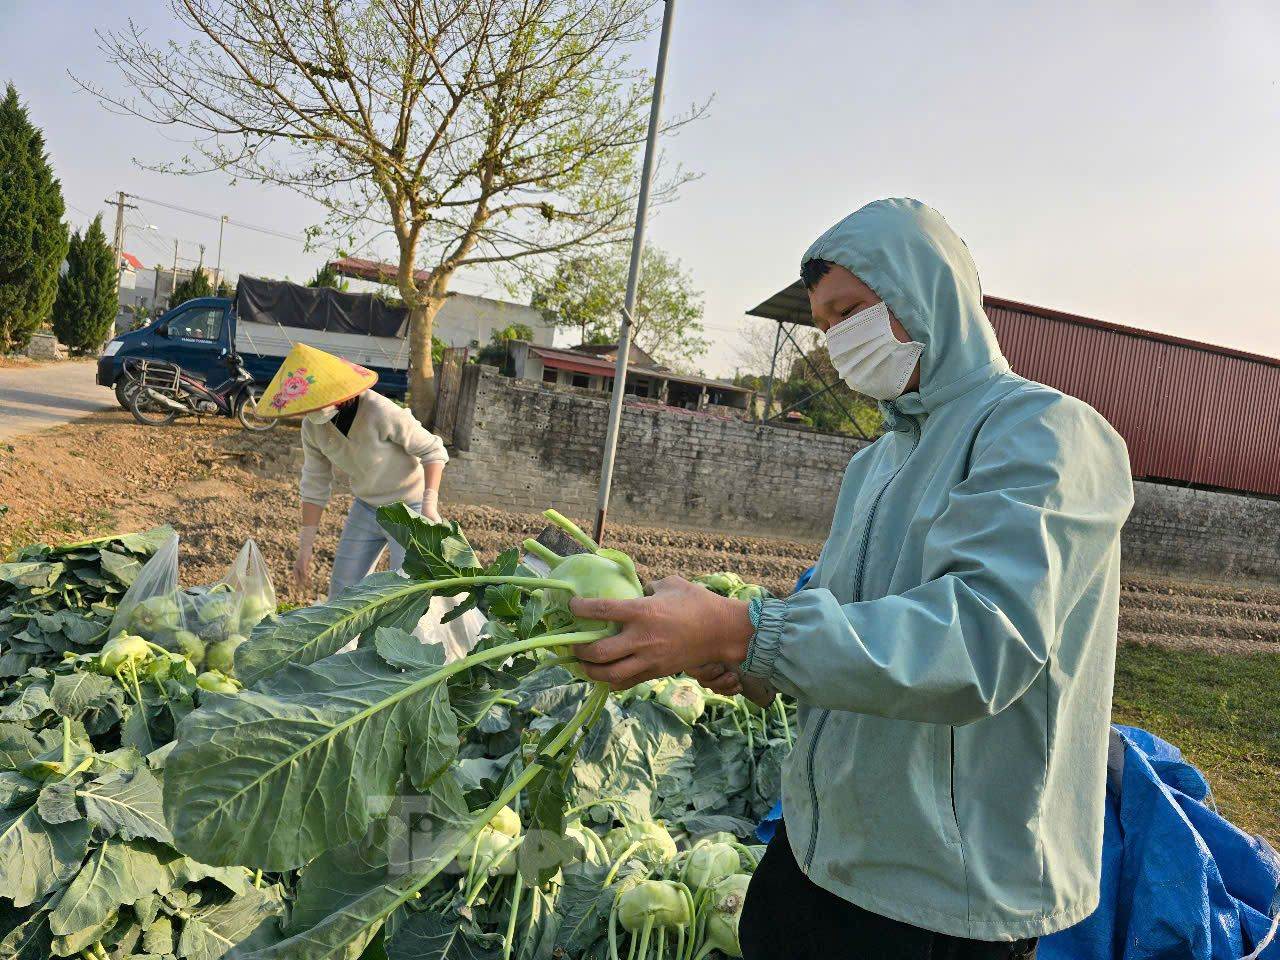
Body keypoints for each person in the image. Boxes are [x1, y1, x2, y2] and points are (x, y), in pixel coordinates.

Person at [568, 199, 1134, 959]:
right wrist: (752, 661)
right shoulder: (878, 461)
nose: (836, 340)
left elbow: (975, 645)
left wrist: (746, 629)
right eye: (824, 324)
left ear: (925, 294)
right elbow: (846, 615)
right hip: (825, 847)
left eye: (850, 311)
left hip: (942, 890)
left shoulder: (1044, 432)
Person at [255, 342, 449, 600]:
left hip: (410, 508)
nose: (310, 411)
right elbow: (315, 482)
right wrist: (305, 548)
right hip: (366, 508)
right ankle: (349, 642)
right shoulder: (312, 428)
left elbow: (434, 450)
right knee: (343, 591)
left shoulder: (380, 411)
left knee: (408, 594)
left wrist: (429, 506)